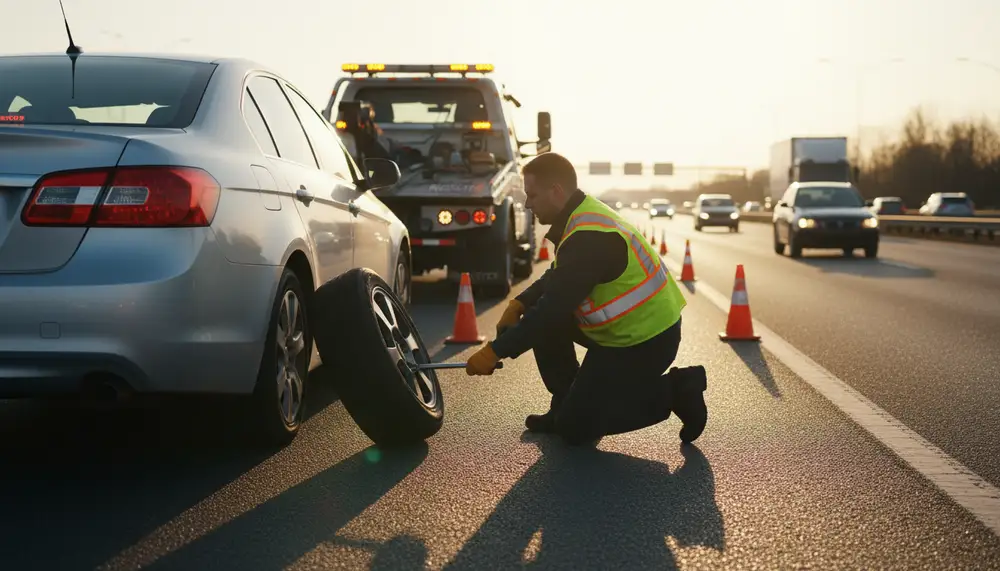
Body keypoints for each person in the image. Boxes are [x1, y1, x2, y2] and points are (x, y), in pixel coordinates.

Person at [464, 152, 708, 445]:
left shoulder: (590, 236)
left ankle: (678, 390)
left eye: (533, 195)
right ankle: (564, 402)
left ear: (556, 192)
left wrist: (495, 351)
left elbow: (553, 309)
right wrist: (521, 302)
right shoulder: (580, 218)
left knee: (576, 429)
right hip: (617, 336)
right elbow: (558, 276)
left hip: (646, 342)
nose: (529, 204)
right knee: (539, 319)